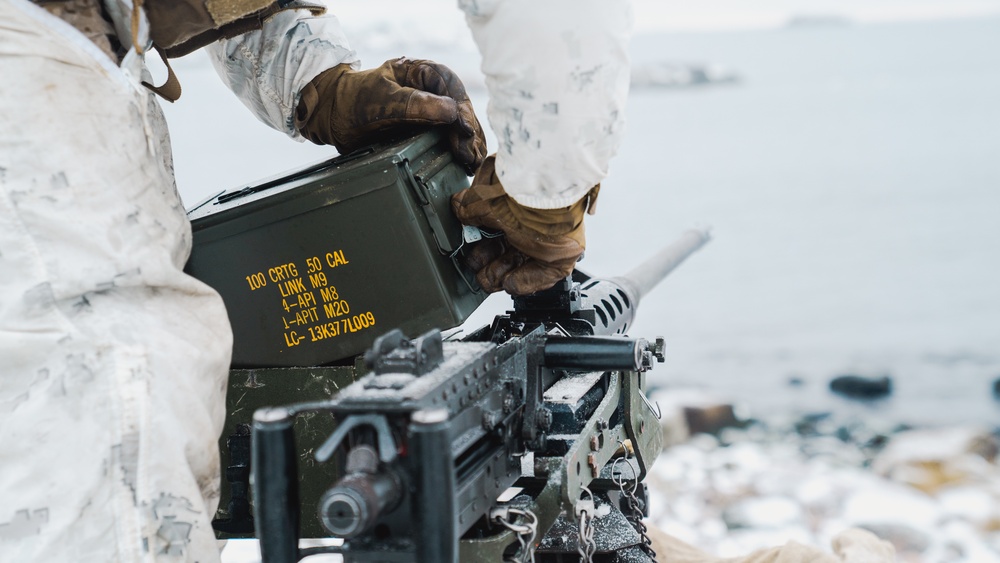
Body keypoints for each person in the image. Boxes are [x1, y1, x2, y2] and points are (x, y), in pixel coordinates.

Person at [0, 1, 893, 561]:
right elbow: (558, 24)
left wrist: (314, 81)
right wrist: (545, 200)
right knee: (113, 428)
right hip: (36, 62)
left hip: (76, 54)